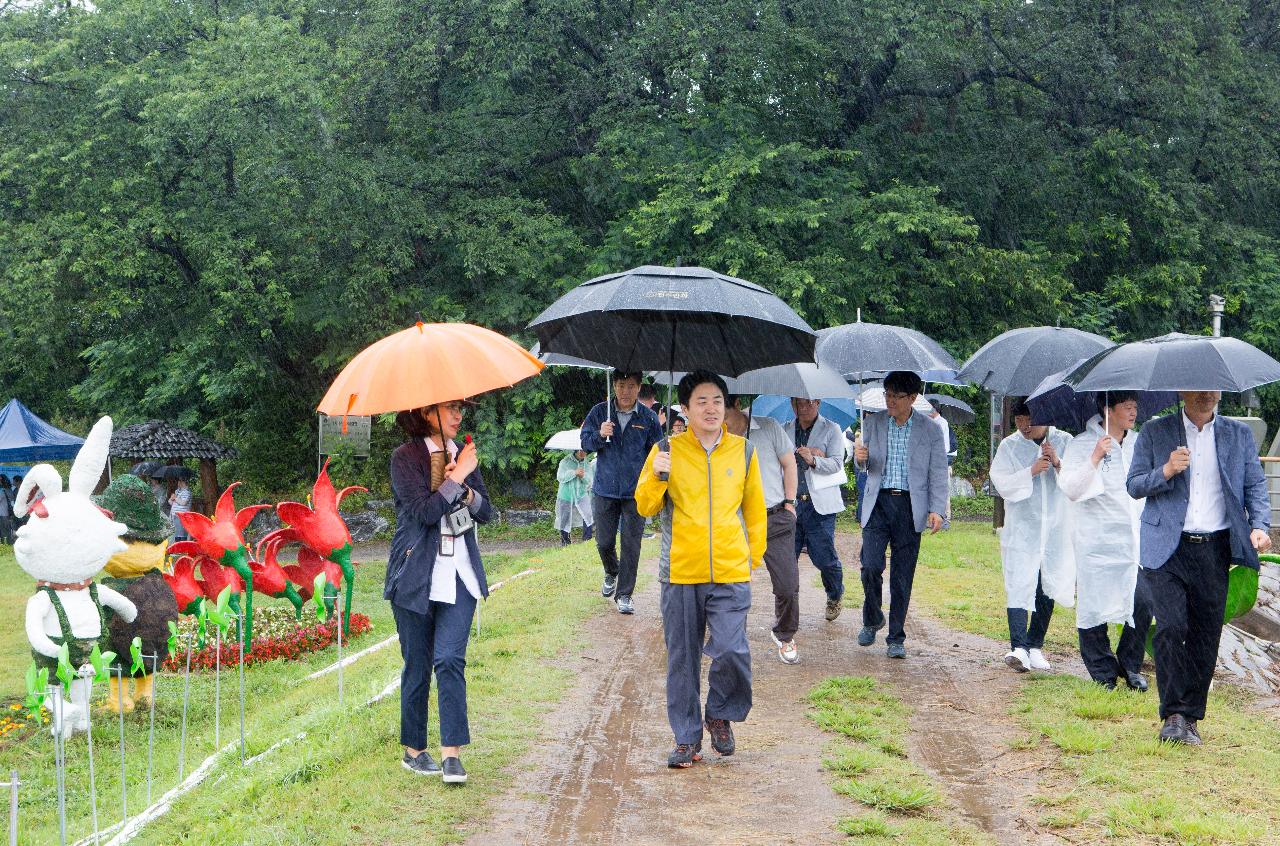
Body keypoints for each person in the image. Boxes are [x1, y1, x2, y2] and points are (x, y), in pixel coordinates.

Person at [635, 370, 766, 768]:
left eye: (717, 401)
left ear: (726, 406)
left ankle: (720, 713)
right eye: (701, 402)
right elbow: (645, 506)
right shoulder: (666, 449)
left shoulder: (743, 451)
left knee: (731, 649)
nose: (711, 409)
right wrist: (658, 475)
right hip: (680, 571)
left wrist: (751, 557)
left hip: (729, 570)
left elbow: (754, 509)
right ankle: (686, 738)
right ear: (686, 409)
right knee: (682, 658)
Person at [1127, 390, 1272, 745]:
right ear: (1183, 391)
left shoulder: (1237, 434)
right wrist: (1166, 469)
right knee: (1171, 627)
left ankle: (1191, 717)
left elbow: (1255, 485)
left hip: (1215, 549)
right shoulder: (1155, 432)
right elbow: (1133, 485)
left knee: (1206, 635)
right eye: (1200, 387)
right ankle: (1173, 714)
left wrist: (1259, 526)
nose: (1208, 394)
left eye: (1214, 387)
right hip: (1167, 549)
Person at [385, 401, 493, 783]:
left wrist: (465, 487)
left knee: (449, 660)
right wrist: (456, 477)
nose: (458, 414)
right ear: (425, 412)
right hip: (416, 576)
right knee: (417, 663)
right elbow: (425, 513)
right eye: (450, 408)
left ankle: (452, 755)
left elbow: (485, 511)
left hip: (459, 573)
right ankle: (415, 750)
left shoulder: (462, 455)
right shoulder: (405, 458)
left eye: (460, 408)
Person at [1060, 393, 1152, 690]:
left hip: (1134, 539)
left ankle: (1130, 664)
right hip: (1096, 539)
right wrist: (1095, 457)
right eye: (1127, 407)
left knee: (1143, 601)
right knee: (1093, 604)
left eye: (1135, 407)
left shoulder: (1139, 442)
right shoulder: (1083, 444)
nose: (1133, 412)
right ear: (1107, 409)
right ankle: (1102, 669)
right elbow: (1072, 489)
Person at [853, 371, 948, 658]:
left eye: (897, 396)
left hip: (910, 507)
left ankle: (896, 637)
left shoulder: (930, 430)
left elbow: (938, 473)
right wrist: (860, 459)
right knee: (870, 566)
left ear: (913, 398)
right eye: (888, 394)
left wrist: (937, 509)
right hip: (878, 503)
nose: (890, 400)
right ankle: (872, 618)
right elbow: (864, 467)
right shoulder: (872, 423)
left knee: (902, 576)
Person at [988, 400, 1073, 673]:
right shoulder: (1009, 446)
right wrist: (1031, 471)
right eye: (1020, 420)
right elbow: (1000, 482)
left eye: (1030, 420)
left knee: (1048, 581)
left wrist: (1058, 463)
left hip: (1056, 525)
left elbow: (1078, 481)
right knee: (1019, 581)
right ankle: (1019, 647)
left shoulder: (1064, 441)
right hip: (1023, 527)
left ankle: (1035, 644)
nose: (1025, 426)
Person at [580, 371, 664, 615]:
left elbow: (656, 452)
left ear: (639, 388)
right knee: (604, 542)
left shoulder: (648, 418)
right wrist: (599, 434)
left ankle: (625, 594)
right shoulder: (599, 412)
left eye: (630, 386)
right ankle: (611, 570)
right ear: (613, 386)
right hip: (605, 489)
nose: (625, 391)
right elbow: (585, 443)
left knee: (631, 544)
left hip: (636, 493)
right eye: (620, 386)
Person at [725, 397, 801, 664]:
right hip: (735, 523)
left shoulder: (768, 427)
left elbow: (789, 463)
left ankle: (785, 634)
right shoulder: (712, 438)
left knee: (788, 585)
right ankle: (731, 641)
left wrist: (790, 502)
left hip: (774, 517)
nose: (712, 413)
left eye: (719, 405)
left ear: (734, 403)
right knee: (733, 586)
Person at [783, 398, 848, 622]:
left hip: (819, 505)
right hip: (791, 504)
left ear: (818, 403)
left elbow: (838, 463)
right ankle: (789, 608)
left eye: (809, 402)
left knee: (823, 558)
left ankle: (835, 593)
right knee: (787, 559)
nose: (804, 406)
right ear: (792, 404)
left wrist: (814, 460)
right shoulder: (785, 429)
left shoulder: (832, 429)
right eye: (799, 402)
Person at [555, 449, 595, 545]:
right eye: (580, 451)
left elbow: (590, 481)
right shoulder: (565, 461)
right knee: (564, 519)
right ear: (575, 450)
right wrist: (574, 473)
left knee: (588, 514)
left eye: (585, 451)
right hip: (566, 495)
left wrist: (582, 476)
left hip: (581, 494)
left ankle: (587, 539)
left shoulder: (587, 464)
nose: (582, 453)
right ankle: (565, 542)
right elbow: (560, 477)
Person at [168, 474, 193, 541]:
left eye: (179, 481)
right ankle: (176, 549)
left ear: (183, 482)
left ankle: (181, 549)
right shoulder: (177, 491)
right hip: (174, 516)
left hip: (181, 516)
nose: (178, 482)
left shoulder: (187, 492)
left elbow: (183, 503)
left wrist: (175, 498)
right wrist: (171, 498)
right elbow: (171, 503)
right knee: (175, 534)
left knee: (181, 535)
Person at [0, 475, 13, 545]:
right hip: (8, 513)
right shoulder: (9, 489)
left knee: (3, 530)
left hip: (2, 514)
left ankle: (5, 545)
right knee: (8, 530)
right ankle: (9, 543)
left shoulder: (2, 491)